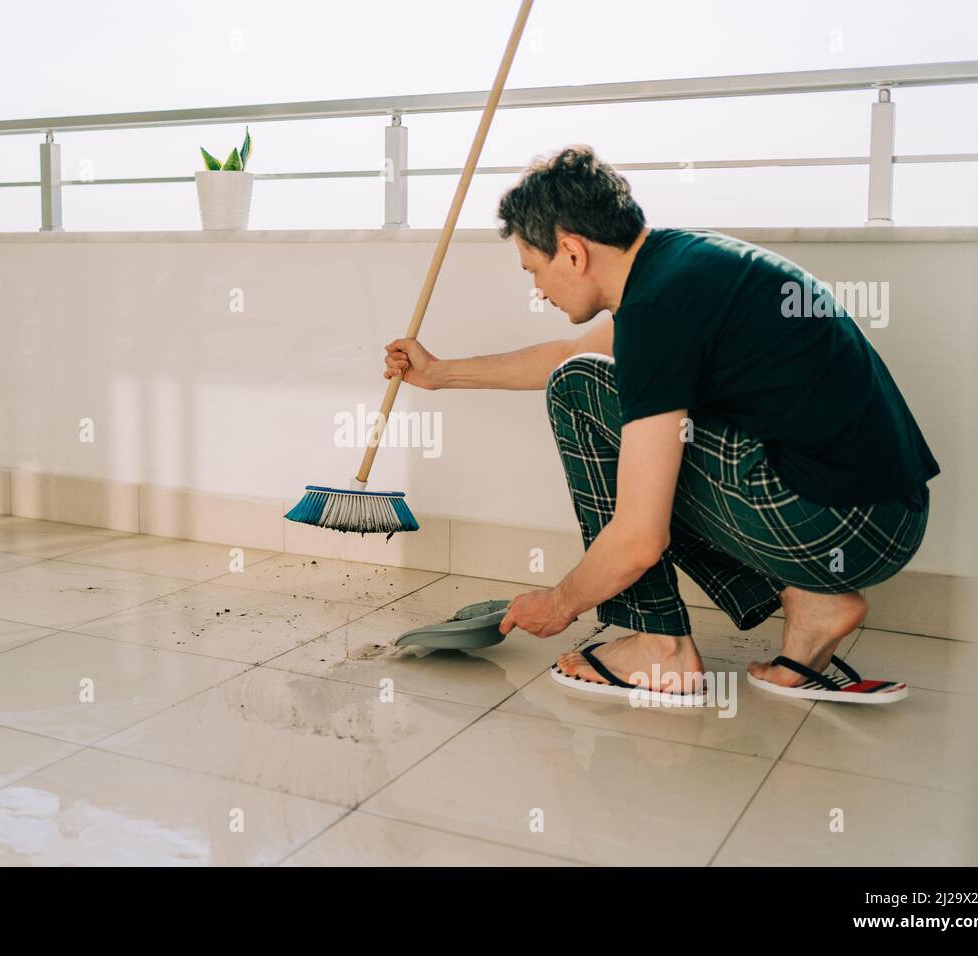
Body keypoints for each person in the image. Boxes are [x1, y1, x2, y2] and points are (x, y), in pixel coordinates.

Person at [383, 145, 938, 705]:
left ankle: (658, 645)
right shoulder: (680, 265)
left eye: (534, 269)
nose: (537, 290)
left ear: (572, 252)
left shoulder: (658, 310)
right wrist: (439, 373)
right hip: (888, 520)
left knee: (577, 393)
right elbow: (571, 351)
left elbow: (639, 539)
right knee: (586, 376)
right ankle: (818, 601)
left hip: (833, 527)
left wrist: (558, 604)